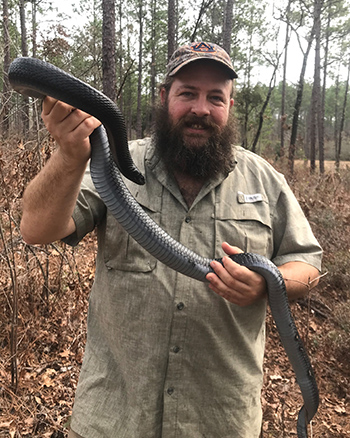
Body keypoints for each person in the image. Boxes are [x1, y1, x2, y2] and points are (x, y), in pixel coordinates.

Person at [20, 41, 322, 438]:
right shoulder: (115, 162)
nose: (201, 108)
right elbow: (35, 230)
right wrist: (69, 155)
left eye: (215, 97)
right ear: (164, 98)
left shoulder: (265, 180)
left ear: (230, 106)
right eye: (187, 94)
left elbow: (308, 265)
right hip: (113, 419)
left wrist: (269, 283)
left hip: (219, 421)